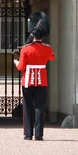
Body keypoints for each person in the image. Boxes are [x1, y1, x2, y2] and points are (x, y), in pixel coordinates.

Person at [13, 11, 55, 141]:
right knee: (39, 108)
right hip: (42, 81)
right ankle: (38, 135)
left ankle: (28, 134)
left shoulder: (26, 49)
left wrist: (16, 62)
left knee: (28, 107)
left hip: (27, 82)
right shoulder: (47, 48)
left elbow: (21, 67)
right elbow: (51, 57)